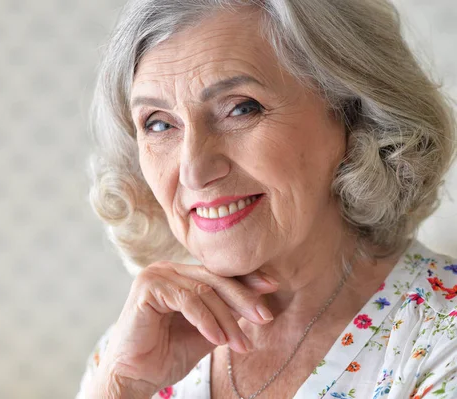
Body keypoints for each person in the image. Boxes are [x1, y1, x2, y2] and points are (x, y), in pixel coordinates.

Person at [77, 0, 457, 398]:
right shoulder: (128, 352)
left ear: (353, 116)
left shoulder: (439, 338)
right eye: (158, 123)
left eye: (240, 108)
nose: (194, 169)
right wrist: (120, 386)